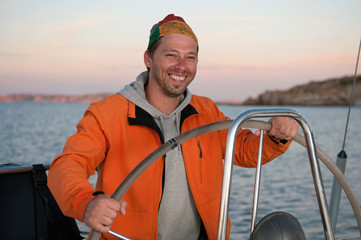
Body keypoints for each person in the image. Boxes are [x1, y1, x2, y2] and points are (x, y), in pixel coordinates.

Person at [48, 14, 299, 240]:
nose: (182, 65)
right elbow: (68, 164)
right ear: (148, 59)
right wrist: (85, 202)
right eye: (172, 55)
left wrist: (277, 135)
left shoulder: (207, 111)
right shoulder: (107, 113)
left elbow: (244, 150)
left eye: (190, 57)